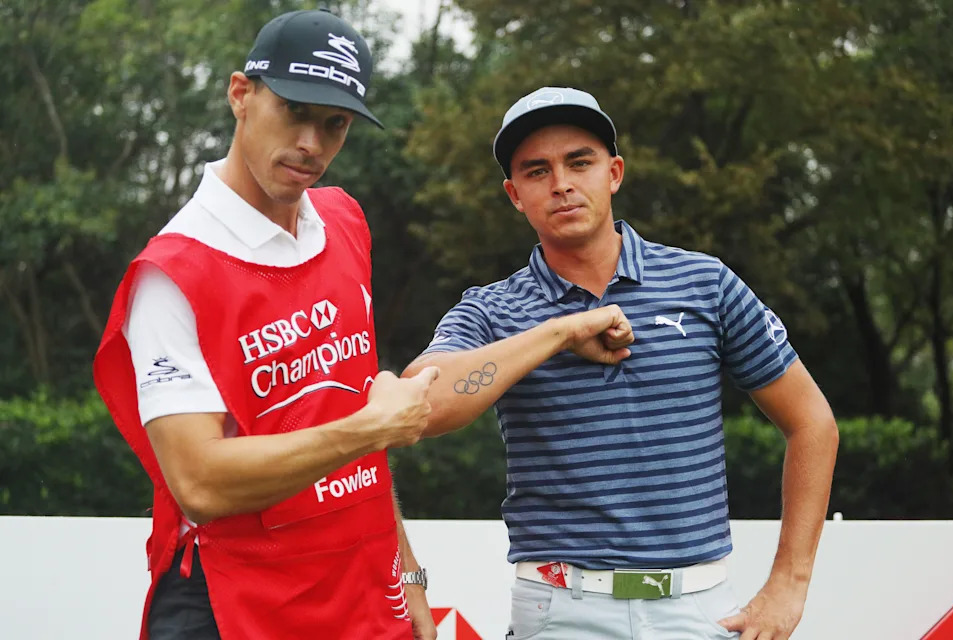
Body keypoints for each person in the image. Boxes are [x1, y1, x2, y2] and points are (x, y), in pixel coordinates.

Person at [403, 87, 839, 639]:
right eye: (537, 171)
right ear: (515, 195)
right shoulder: (493, 309)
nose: (561, 183)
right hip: (559, 610)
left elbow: (813, 423)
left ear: (614, 173)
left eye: (578, 162)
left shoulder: (705, 283)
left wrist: (790, 583)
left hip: (697, 608)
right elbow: (420, 402)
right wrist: (559, 333)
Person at [94, 10, 438, 640]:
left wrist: (406, 574)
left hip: (359, 589)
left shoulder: (344, 221)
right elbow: (199, 482)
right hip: (234, 602)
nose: (312, 143)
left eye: (334, 124)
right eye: (294, 111)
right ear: (240, 96)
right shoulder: (172, 272)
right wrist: (372, 428)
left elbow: (350, 410)